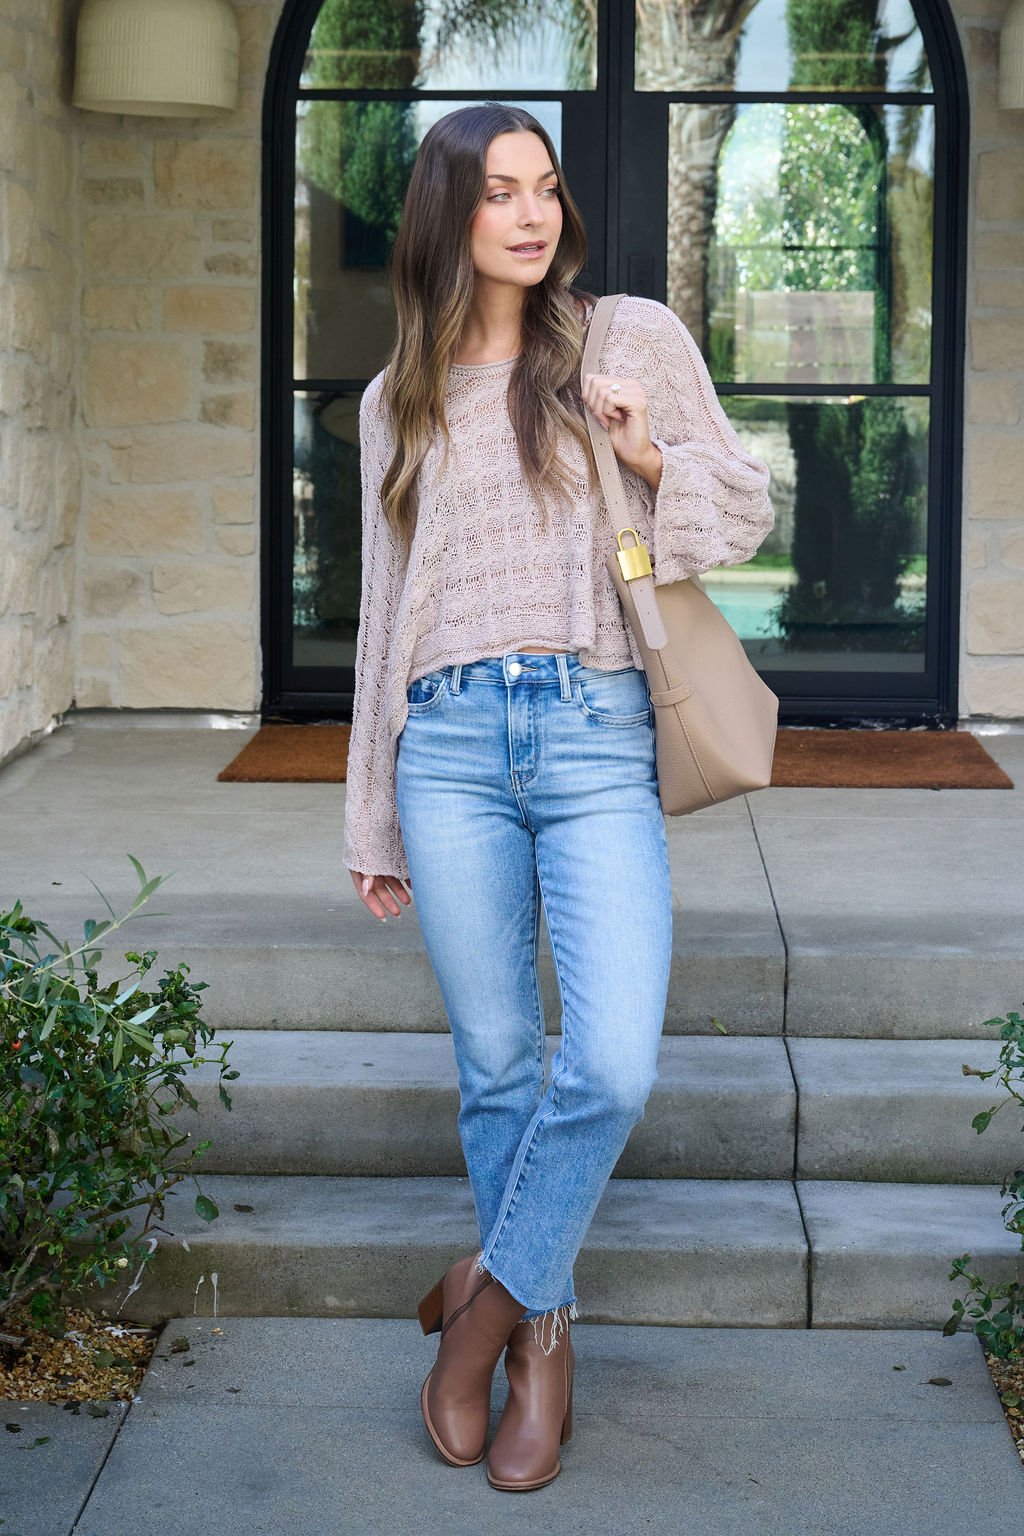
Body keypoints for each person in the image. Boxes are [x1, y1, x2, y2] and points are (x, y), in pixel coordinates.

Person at [342, 101, 774, 1492]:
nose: (530, 214)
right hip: (449, 747)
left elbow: (742, 502)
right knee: (498, 1070)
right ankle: (547, 1342)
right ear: (448, 215)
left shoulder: (625, 340)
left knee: (610, 1066)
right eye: (497, 192)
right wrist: (372, 813)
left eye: (544, 189)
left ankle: (480, 1312)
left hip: (593, 732)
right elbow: (379, 615)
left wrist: (646, 451)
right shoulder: (392, 398)